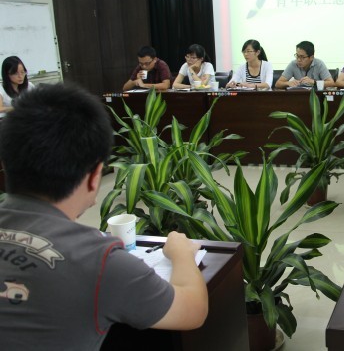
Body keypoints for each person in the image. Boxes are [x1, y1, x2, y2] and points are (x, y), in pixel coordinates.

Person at [0, 84, 208, 350]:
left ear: (5, 163)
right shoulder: (98, 262)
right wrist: (181, 253)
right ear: (95, 176)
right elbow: (193, 310)